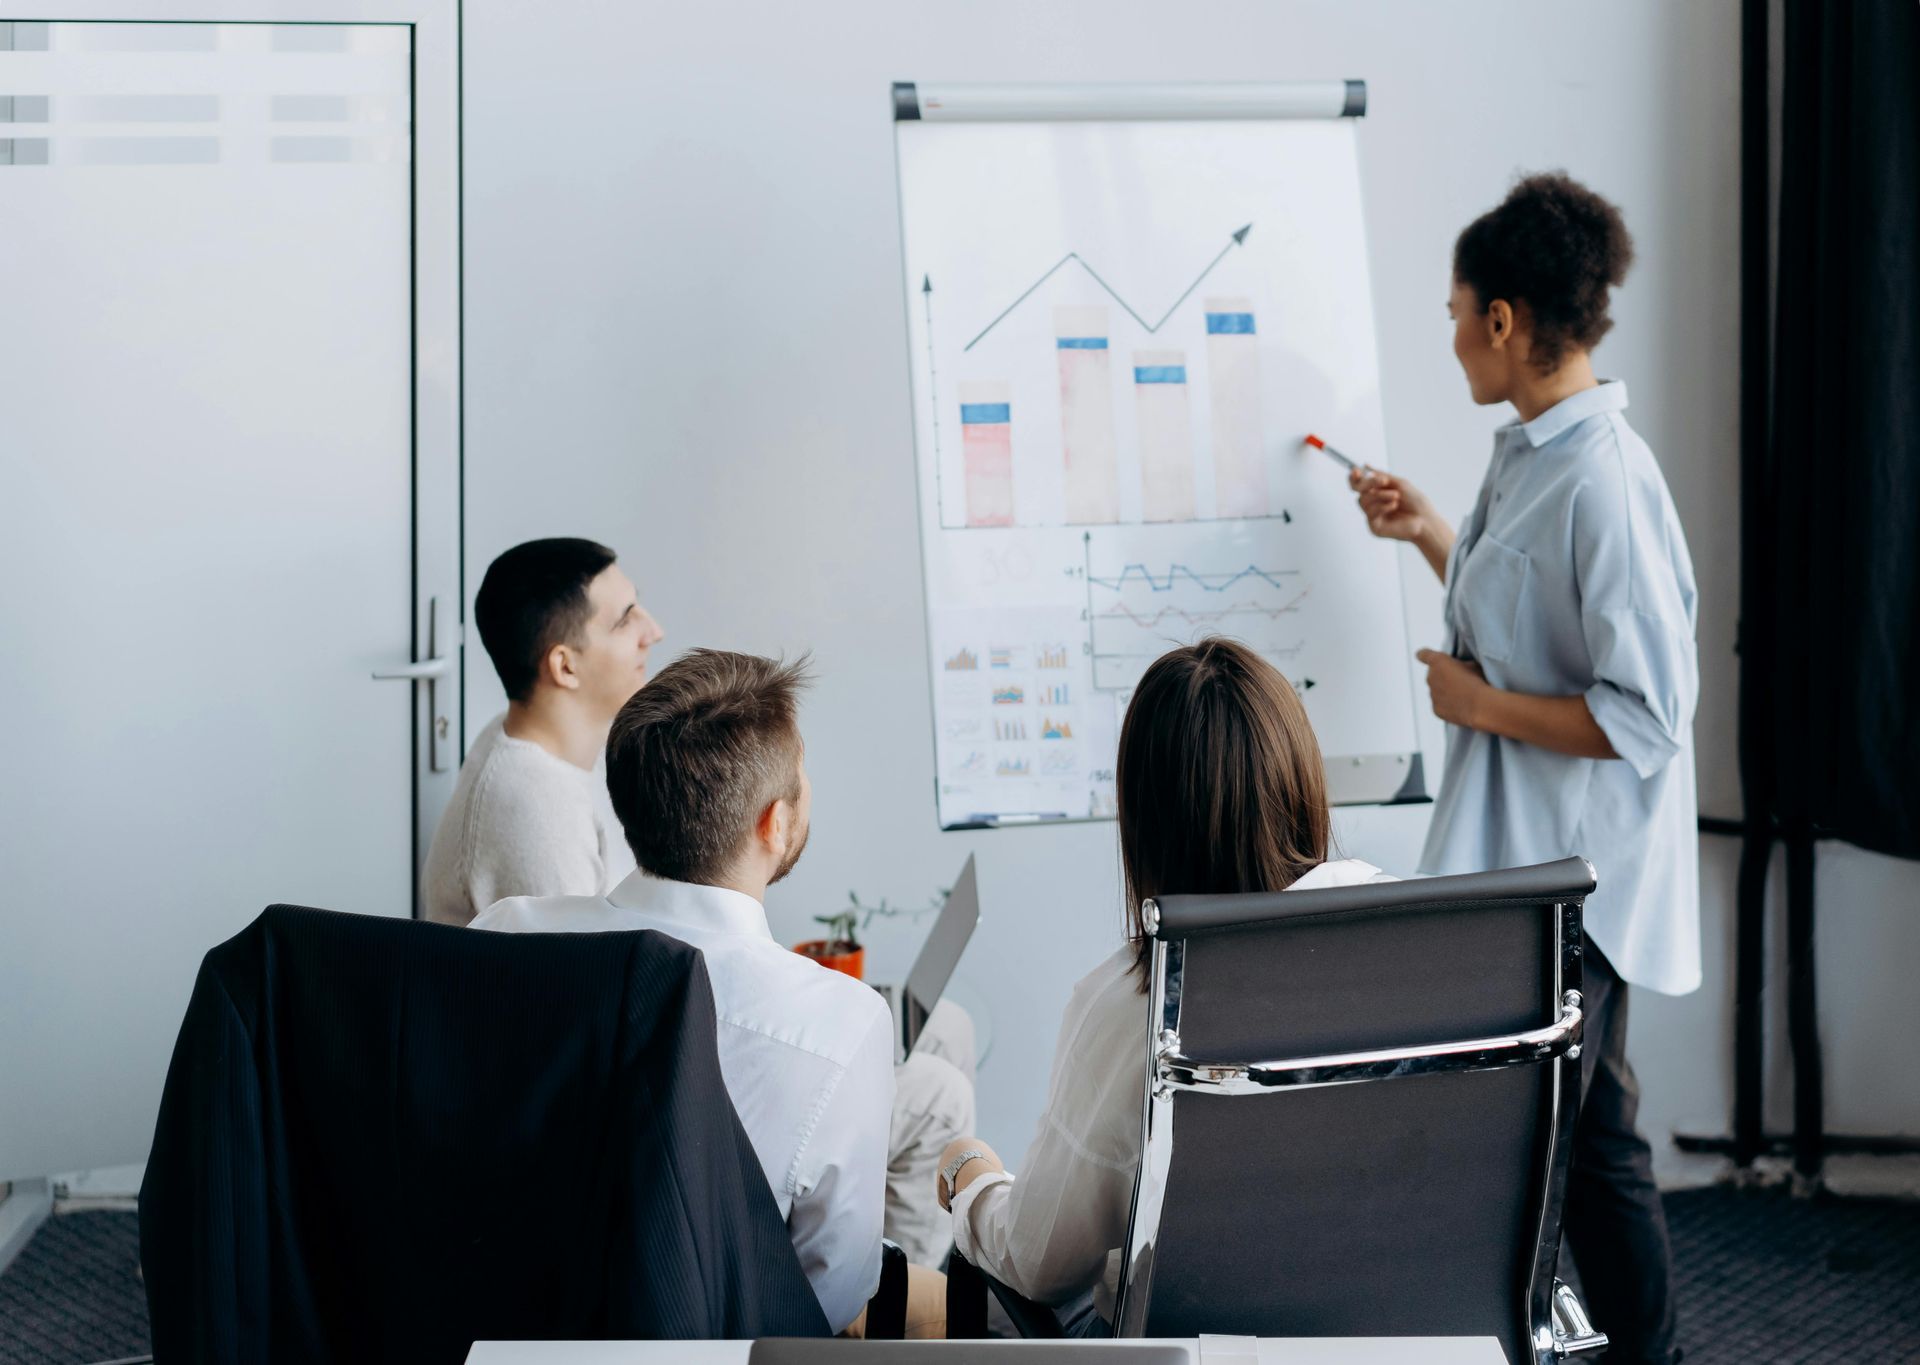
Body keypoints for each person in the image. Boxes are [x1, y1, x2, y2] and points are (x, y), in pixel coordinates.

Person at [1348, 172, 1696, 1365]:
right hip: (1525, 867)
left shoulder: (1605, 478)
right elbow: (1520, 605)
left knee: (1541, 1160)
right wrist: (1429, 527)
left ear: (1504, 320)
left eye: (1456, 313)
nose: (1449, 339)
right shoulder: (1530, 452)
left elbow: (1647, 715)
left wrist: (1480, 705)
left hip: (1578, 883)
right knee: (1586, 1148)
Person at [472, 650, 957, 1337]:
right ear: (773, 823)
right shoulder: (842, 1023)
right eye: (800, 773)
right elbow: (830, 1294)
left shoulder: (504, 932)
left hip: (502, 1332)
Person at [934, 638, 1393, 1335]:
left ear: (1145, 820)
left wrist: (972, 1175)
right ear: (1300, 776)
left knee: (958, 1290)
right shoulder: (1419, 944)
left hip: (1193, 1349)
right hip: (1401, 1335)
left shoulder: (1134, 1005)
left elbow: (1040, 1260)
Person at [422, 537, 665, 926]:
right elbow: (585, 977)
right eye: (625, 619)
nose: (654, 631)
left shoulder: (560, 745)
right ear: (564, 667)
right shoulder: (532, 810)